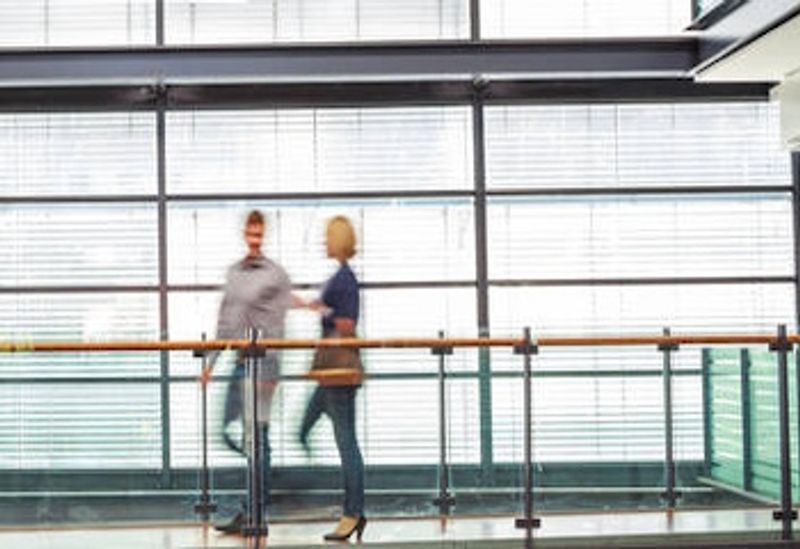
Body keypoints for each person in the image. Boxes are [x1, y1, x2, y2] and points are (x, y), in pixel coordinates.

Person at [200, 209, 292, 534]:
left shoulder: (276, 275)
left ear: (264, 234)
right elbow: (225, 323)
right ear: (244, 234)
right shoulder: (234, 274)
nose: (254, 239)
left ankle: (255, 512)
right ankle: (255, 498)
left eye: (259, 234)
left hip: (264, 365)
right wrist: (210, 365)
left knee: (258, 438)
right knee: (228, 430)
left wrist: (272, 373)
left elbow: (279, 326)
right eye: (250, 233)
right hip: (240, 363)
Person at [299, 215, 367, 542]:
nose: (324, 242)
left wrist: (323, 310)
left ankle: (353, 513)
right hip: (328, 373)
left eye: (328, 237)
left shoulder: (346, 279)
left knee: (346, 443)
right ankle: (335, 501)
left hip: (339, 372)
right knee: (303, 430)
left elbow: (348, 324)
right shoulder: (339, 277)